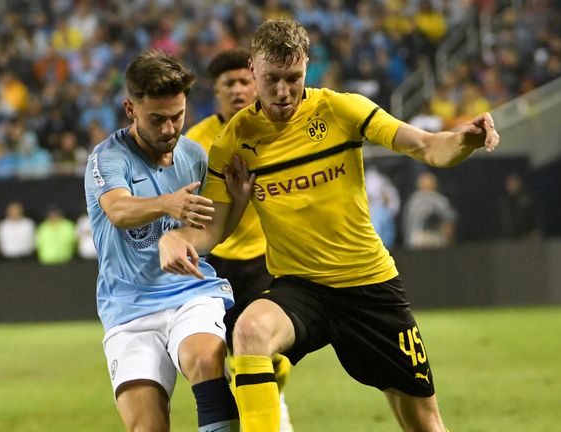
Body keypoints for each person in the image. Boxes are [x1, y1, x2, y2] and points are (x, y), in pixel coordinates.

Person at [158, 18, 499, 432]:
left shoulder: (341, 109)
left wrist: (462, 140)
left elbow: (426, 146)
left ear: (306, 67)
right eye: (272, 79)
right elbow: (213, 226)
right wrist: (179, 238)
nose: (283, 91)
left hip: (369, 286)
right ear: (253, 70)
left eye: (293, 78)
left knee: (424, 421)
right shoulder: (235, 138)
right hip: (301, 287)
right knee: (249, 330)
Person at [83, 49, 251, 432]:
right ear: (131, 109)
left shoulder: (193, 155)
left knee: (206, 360)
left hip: (190, 295)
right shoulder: (107, 158)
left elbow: (206, 236)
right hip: (128, 310)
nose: (170, 129)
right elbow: (119, 210)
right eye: (157, 119)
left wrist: (237, 205)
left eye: (178, 116)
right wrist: (168, 205)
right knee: (147, 426)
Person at [184, 47, 294, 432]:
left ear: (257, 84)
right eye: (228, 84)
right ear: (216, 92)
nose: (237, 90)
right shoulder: (196, 142)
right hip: (215, 265)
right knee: (229, 357)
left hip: (266, 260)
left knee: (268, 353)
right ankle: (257, 416)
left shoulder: (278, 130)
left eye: (244, 81)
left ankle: (271, 410)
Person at [402, 171, 458, 249]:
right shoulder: (413, 200)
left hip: (434, 237)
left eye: (429, 182)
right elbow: (408, 223)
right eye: (424, 182)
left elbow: (449, 220)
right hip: (417, 237)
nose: (426, 184)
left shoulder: (439, 199)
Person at [497, 172, 537, 239]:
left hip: (525, 237)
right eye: (509, 184)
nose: (512, 186)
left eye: (514, 183)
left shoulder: (527, 198)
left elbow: (533, 216)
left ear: (519, 184)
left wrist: (533, 231)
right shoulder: (503, 202)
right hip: (508, 238)